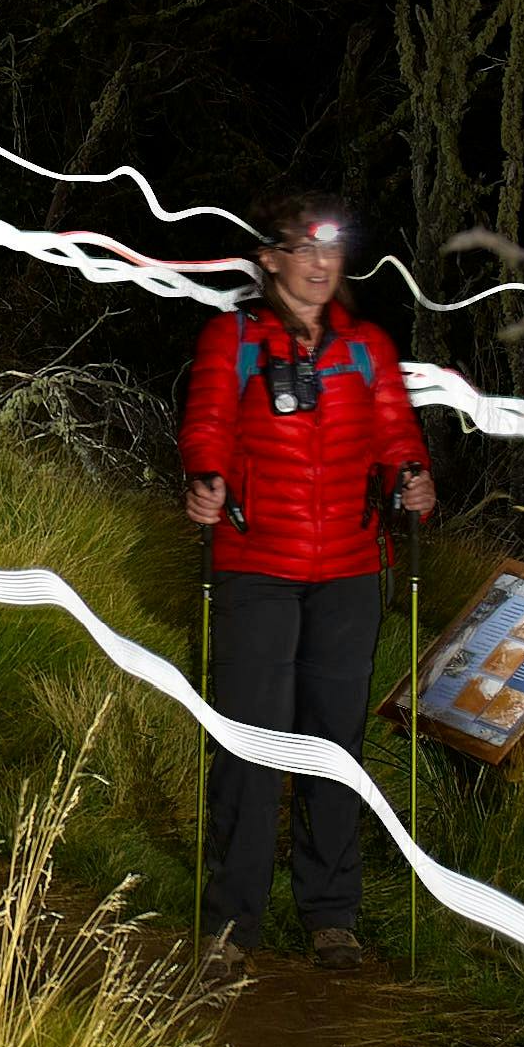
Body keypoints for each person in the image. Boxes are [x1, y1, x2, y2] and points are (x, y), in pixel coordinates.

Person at [179, 191, 434, 970]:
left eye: (333, 250)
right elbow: (209, 420)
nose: (322, 264)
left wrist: (414, 478)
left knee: (335, 748)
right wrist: (207, 477)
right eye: (305, 248)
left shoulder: (367, 347)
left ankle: (332, 916)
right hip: (257, 567)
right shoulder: (235, 338)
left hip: (352, 573)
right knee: (249, 745)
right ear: (271, 258)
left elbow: (395, 431)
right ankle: (233, 920)